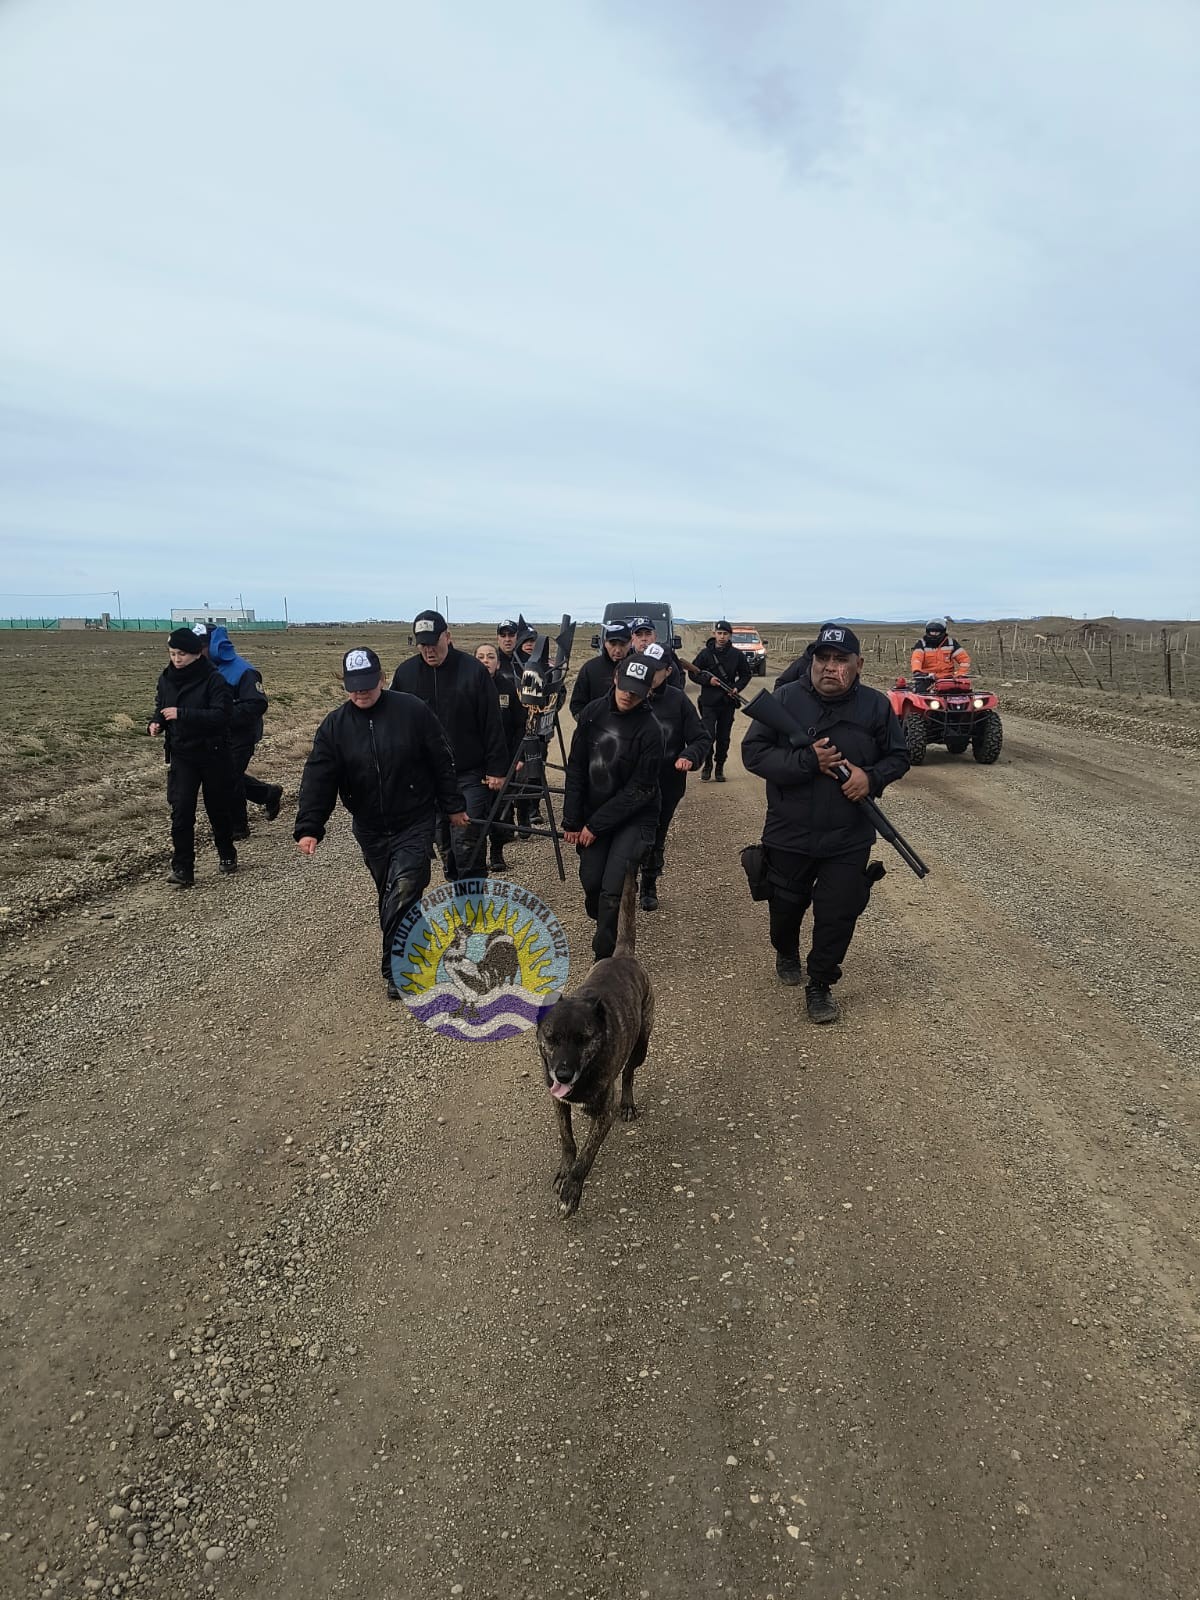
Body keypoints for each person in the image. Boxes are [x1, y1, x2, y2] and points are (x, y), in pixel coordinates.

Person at [742, 622, 910, 1024]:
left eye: (840, 660)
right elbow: (753, 753)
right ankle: (786, 951)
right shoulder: (783, 700)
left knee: (838, 912)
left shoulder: (875, 706)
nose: (829, 667)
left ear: (858, 664)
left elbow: (899, 757)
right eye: (822, 658)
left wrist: (870, 777)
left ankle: (820, 983)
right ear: (811, 661)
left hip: (848, 835)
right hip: (789, 830)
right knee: (785, 908)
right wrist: (805, 761)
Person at [294, 647, 467, 1000]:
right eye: (353, 686)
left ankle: (396, 969)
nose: (361, 692)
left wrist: (453, 806)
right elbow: (319, 777)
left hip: (415, 819)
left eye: (368, 685)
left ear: (383, 679)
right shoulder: (334, 727)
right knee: (392, 893)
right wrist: (310, 825)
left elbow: (441, 760)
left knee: (403, 889)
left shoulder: (413, 712)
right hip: (370, 826)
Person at [389, 610, 508, 878]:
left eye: (434, 643)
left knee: (468, 842)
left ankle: (474, 909)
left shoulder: (472, 671)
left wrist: (496, 768)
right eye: (423, 645)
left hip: (469, 773)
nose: (429, 650)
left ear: (448, 636)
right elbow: (395, 725)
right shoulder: (406, 674)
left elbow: (492, 722)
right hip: (426, 777)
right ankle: (459, 894)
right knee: (444, 844)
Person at [563, 653, 662, 960]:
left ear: (648, 691)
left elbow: (640, 789)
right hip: (595, 812)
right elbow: (576, 767)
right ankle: (605, 919)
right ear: (616, 678)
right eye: (625, 686)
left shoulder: (651, 730)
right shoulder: (592, 713)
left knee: (612, 890)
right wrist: (572, 820)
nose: (628, 695)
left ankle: (604, 958)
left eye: (637, 690)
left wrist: (596, 825)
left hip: (635, 816)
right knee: (592, 882)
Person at [147, 627, 238, 886]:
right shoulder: (166, 678)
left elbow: (222, 716)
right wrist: (156, 723)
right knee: (181, 811)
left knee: (217, 808)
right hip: (181, 755)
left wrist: (183, 714)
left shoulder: (214, 680)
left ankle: (226, 853)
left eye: (182, 654)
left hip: (213, 754)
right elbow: (161, 707)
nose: (177, 659)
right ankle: (183, 868)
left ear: (197, 653)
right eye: (173, 653)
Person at [640, 644, 712, 911]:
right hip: (627, 782)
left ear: (668, 671)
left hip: (666, 783)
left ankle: (649, 881)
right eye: (645, 667)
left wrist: (690, 756)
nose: (649, 674)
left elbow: (701, 737)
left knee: (656, 833)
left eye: (656, 670)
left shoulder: (678, 700)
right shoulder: (625, 694)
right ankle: (621, 882)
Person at [206, 627, 283, 838]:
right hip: (216, 735)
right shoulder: (203, 670)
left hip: (242, 734)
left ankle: (237, 827)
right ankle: (268, 793)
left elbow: (257, 704)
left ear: (212, 646)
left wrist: (221, 715)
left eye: (200, 645)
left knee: (228, 778)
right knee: (226, 776)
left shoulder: (243, 671)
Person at [687, 620, 753, 782]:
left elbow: (746, 674)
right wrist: (708, 681)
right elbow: (692, 673)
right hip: (709, 703)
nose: (722, 637)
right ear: (714, 634)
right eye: (719, 633)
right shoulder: (705, 654)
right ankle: (707, 764)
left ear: (730, 635)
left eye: (725, 634)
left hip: (727, 702)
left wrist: (737, 688)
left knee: (724, 737)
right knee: (708, 735)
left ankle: (719, 766)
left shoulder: (737, 655)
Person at [570, 622, 631, 717]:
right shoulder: (590, 669)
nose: (618, 650)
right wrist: (591, 725)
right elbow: (576, 706)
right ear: (605, 643)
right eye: (613, 644)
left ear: (631, 643)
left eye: (622, 644)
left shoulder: (638, 669)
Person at [629, 617, 684, 690]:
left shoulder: (665, 656)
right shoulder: (625, 658)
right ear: (632, 638)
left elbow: (677, 686)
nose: (644, 639)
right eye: (639, 635)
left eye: (648, 634)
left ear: (655, 637)